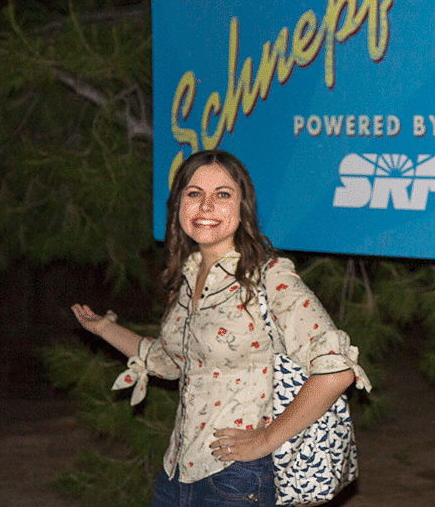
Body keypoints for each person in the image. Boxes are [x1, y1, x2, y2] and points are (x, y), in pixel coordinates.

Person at [72, 149, 369, 507]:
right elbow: (170, 361)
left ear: (243, 208)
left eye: (223, 194)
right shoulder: (189, 278)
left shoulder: (269, 277)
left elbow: (336, 370)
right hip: (175, 475)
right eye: (194, 193)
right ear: (179, 205)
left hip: (237, 479)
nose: (206, 205)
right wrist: (105, 329)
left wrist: (265, 439)